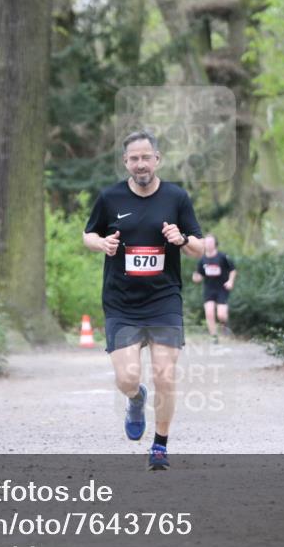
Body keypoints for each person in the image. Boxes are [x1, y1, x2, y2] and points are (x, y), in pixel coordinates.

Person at [83, 131, 203, 470]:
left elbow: (200, 246)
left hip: (164, 300)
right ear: (126, 163)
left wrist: (180, 240)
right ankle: (136, 400)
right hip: (121, 303)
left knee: (165, 374)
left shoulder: (176, 197)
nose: (140, 164)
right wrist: (101, 245)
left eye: (146, 157)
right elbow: (88, 233)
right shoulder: (110, 198)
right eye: (133, 159)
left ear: (157, 159)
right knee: (128, 378)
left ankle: (160, 445)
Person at [192, 235, 237, 342]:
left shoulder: (222, 256)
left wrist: (230, 281)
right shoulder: (202, 259)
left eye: (210, 242)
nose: (208, 244)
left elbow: (233, 270)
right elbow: (199, 275)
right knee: (209, 312)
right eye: (206, 242)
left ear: (215, 244)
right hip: (209, 289)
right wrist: (196, 278)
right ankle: (214, 337)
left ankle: (224, 324)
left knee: (221, 315)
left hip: (222, 288)